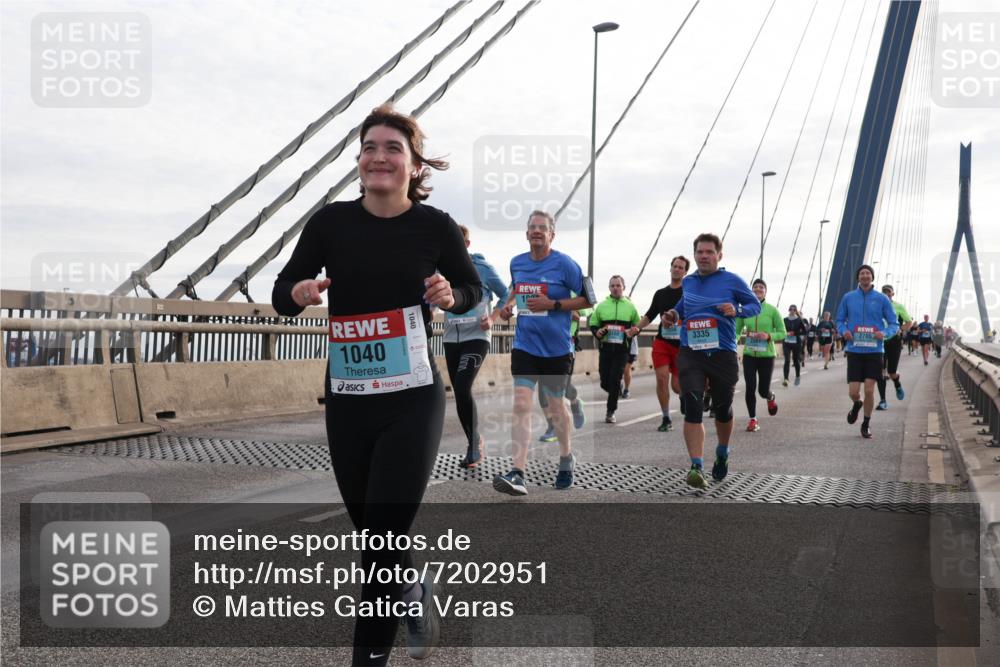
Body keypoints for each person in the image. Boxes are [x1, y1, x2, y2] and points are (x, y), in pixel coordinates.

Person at [272, 104, 481, 665]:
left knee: (383, 542)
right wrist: (297, 294)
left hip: (412, 400)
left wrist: (449, 296)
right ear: (359, 160)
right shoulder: (330, 223)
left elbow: (470, 289)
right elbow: (282, 289)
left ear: (414, 166)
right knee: (375, 538)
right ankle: (412, 593)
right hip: (348, 402)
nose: (379, 157)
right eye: (370, 147)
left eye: (393, 149)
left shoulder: (433, 227)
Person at [493, 211, 593, 496]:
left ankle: (566, 458)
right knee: (522, 405)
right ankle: (518, 472)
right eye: (532, 228)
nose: (537, 232)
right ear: (526, 234)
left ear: (552, 234)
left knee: (556, 407)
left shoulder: (565, 264)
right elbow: (515, 289)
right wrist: (508, 306)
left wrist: (554, 304)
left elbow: (589, 299)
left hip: (557, 349)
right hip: (525, 345)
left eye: (542, 228)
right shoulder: (517, 263)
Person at [661, 233, 760, 488]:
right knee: (692, 404)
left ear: (719, 255)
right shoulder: (689, 281)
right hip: (691, 351)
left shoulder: (732, 280)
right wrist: (673, 313)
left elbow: (754, 306)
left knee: (723, 407)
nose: (704, 256)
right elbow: (685, 305)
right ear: (694, 255)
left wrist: (736, 310)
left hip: (722, 353)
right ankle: (696, 466)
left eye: (709, 252)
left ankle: (722, 452)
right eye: (700, 252)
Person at [442, 225, 509, 468]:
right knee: (459, 394)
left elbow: (506, 293)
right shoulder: (442, 270)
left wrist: (492, 318)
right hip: (451, 337)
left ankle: (473, 445)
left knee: (462, 387)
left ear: (467, 245)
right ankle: (475, 439)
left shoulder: (483, 268)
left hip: (477, 337)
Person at [834, 264, 899, 439]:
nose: (864, 276)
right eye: (862, 273)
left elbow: (894, 323)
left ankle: (866, 424)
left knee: (870, 390)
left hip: (874, 351)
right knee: (853, 392)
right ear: (858, 278)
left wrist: (884, 333)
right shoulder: (848, 298)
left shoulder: (882, 299)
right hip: (854, 350)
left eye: (867, 273)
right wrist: (844, 331)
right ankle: (857, 404)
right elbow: (839, 320)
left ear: (872, 277)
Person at [628, 256, 688, 432]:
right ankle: (666, 417)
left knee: (677, 387)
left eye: (681, 267)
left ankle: (685, 396)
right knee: (661, 379)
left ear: (685, 272)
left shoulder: (688, 294)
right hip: (662, 342)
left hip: (682, 346)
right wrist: (636, 329)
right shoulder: (660, 293)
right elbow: (649, 315)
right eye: (674, 266)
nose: (677, 269)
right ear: (670, 269)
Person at [590, 275, 641, 423]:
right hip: (605, 348)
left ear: (623, 287)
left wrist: (633, 331)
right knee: (604, 381)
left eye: (618, 285)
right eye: (612, 286)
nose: (615, 288)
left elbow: (638, 326)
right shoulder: (602, 306)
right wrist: (596, 332)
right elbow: (593, 323)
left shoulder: (630, 306)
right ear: (609, 288)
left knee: (615, 378)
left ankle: (610, 411)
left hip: (622, 349)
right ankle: (616, 388)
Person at [735, 278, 784, 432]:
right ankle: (753, 420)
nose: (758, 289)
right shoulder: (745, 310)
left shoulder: (772, 310)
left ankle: (770, 397)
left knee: (762, 390)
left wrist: (769, 336)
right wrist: (732, 345)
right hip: (749, 354)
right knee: (750, 387)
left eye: (761, 287)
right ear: (751, 291)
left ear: (765, 291)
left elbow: (782, 333)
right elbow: (736, 331)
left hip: (767, 355)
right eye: (755, 287)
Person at [538, 298, 589, 442]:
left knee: (562, 387)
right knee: (542, 387)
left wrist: (553, 306)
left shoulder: (572, 291)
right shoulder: (540, 287)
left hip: (565, 345)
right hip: (542, 343)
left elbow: (577, 316)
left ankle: (575, 402)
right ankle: (552, 427)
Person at [875, 284, 911, 411]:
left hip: (894, 341)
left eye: (889, 292)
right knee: (881, 372)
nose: (886, 294)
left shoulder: (899, 306)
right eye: (884, 292)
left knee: (892, 372)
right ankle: (883, 401)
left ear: (892, 294)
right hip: (879, 341)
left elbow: (909, 322)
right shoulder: (877, 305)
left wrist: (900, 330)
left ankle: (897, 384)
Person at [782, 305, 807, 386]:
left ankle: (797, 376)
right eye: (791, 309)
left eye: (794, 309)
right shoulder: (784, 320)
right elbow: (781, 329)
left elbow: (804, 331)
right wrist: (786, 333)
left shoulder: (799, 320)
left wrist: (796, 333)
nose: (792, 311)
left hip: (796, 343)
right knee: (787, 360)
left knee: (796, 360)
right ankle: (786, 379)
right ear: (789, 310)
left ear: (796, 311)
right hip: (787, 342)